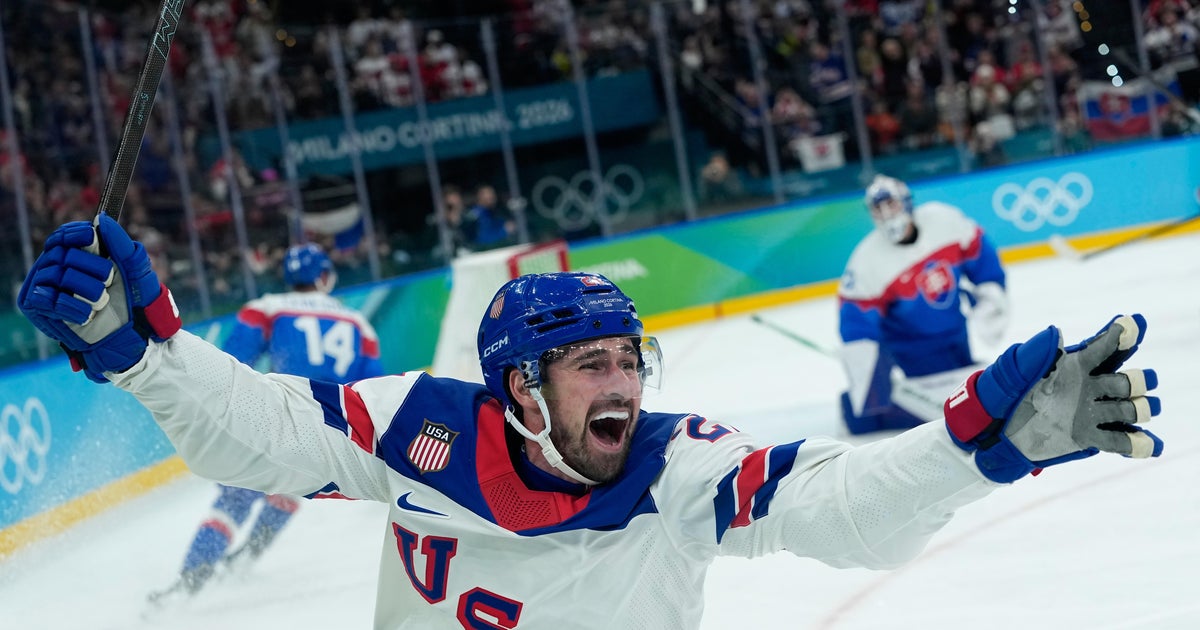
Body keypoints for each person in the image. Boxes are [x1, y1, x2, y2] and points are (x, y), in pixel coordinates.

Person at [19, 214, 1164, 629]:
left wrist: (976, 448)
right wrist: (147, 352)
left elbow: (835, 507)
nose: (623, 385)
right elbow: (257, 429)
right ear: (518, 386)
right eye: (589, 366)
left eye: (630, 359)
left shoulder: (678, 473)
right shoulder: (414, 426)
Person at [151, 242, 384, 602]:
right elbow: (376, 389)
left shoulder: (267, 308)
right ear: (323, 276)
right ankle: (243, 562)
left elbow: (228, 364)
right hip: (326, 432)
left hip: (272, 415)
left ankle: (188, 583)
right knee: (293, 488)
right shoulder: (359, 324)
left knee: (237, 497)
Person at [838, 175, 1009, 434]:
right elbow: (856, 322)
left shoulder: (943, 220)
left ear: (906, 203)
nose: (886, 214)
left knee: (972, 394)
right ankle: (854, 410)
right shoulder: (866, 261)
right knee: (956, 409)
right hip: (914, 349)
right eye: (877, 209)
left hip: (956, 331)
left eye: (891, 205)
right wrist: (868, 370)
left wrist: (990, 296)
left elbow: (979, 253)